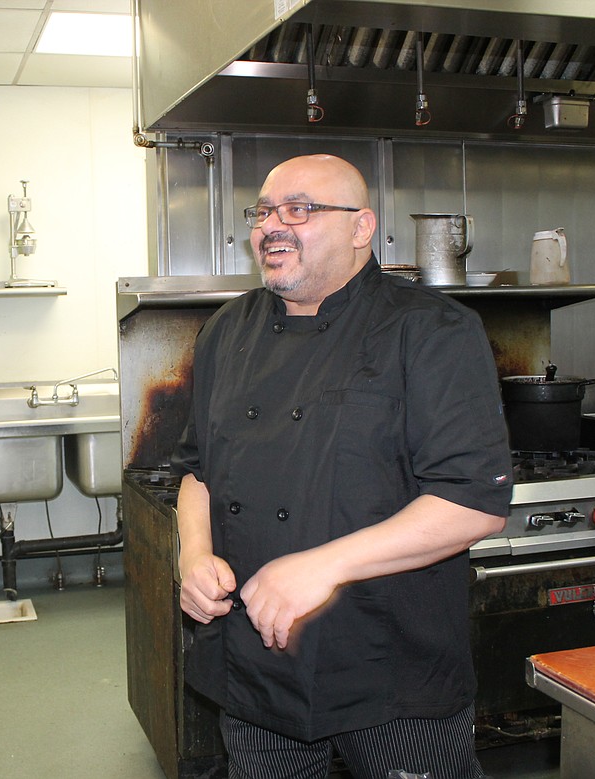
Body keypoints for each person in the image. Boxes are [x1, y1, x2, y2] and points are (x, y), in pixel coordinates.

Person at [171, 154, 513, 779]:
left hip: (391, 673)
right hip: (260, 664)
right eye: (264, 211)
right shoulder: (226, 331)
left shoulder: (432, 331)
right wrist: (192, 555)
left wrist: (322, 566)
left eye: (300, 209)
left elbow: (473, 502)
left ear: (361, 228)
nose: (274, 225)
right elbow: (197, 469)